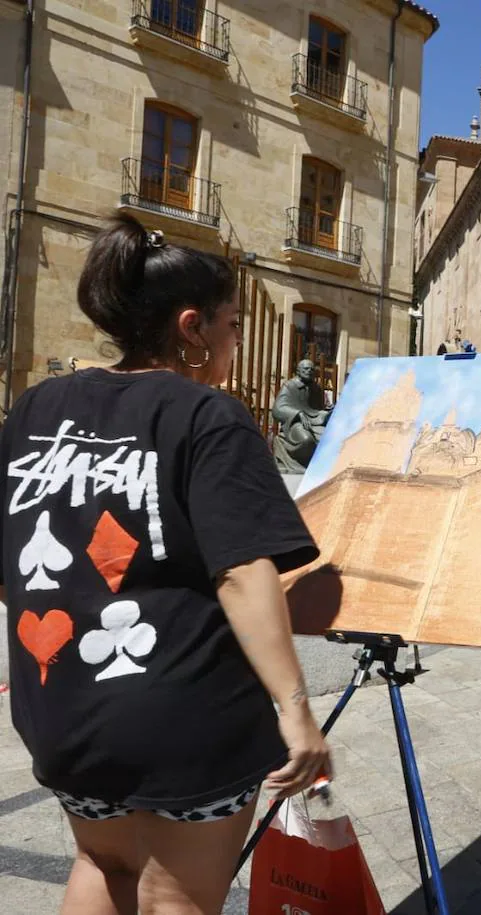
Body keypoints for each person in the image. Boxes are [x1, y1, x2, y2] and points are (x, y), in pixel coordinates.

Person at [0, 215, 330, 913]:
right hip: (184, 723)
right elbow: (242, 572)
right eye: (233, 324)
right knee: (174, 896)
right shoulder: (208, 415)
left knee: (101, 863)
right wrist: (297, 710)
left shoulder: (34, 409)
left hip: (60, 709)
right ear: (192, 326)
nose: (236, 342)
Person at [272, 358, 332, 472]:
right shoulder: (290, 386)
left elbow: (316, 409)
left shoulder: (316, 388)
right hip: (294, 423)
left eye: (312, 369)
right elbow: (277, 408)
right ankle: (292, 456)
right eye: (306, 368)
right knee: (306, 440)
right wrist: (297, 413)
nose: (309, 371)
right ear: (298, 371)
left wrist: (325, 414)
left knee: (330, 438)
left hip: (314, 422)